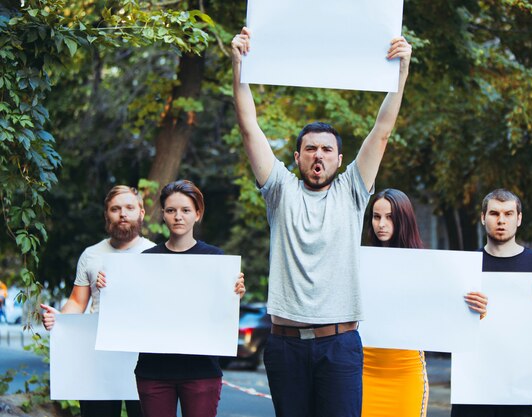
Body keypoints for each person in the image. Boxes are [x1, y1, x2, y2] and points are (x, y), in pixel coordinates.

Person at [231, 26, 412, 417]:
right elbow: (249, 128)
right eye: (310, 148)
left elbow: (381, 133)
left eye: (327, 149)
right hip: (285, 345)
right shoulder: (280, 190)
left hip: (340, 344)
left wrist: (400, 74)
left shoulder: (352, 191)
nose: (319, 155)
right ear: (296, 157)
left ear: (339, 159)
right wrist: (239, 67)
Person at [96, 180, 245, 417]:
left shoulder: (215, 259)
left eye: (185, 210)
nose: (178, 217)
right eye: (171, 210)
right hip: (154, 372)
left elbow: (221, 311)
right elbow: (131, 308)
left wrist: (235, 290)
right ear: (163, 215)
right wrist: (110, 286)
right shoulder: (145, 260)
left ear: (198, 214)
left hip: (202, 371)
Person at [363, 189, 487, 417]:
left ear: (403, 220)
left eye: (389, 217)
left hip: (406, 375)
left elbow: (451, 313)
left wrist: (477, 310)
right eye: (376, 216)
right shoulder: (361, 262)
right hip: (363, 374)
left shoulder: (427, 266)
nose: (381, 223)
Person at [451, 188, 532, 417]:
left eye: (508, 214)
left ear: (519, 219)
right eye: (494, 213)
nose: (501, 220)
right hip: (474, 387)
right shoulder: (465, 267)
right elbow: (448, 328)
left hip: (524, 388)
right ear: (482, 218)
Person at [40, 185, 155, 417]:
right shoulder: (91, 255)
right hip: (98, 355)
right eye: (116, 209)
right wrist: (60, 321)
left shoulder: (157, 254)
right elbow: (77, 301)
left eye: (130, 208)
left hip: (145, 356)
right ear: (107, 215)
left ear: (141, 213)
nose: (123, 213)